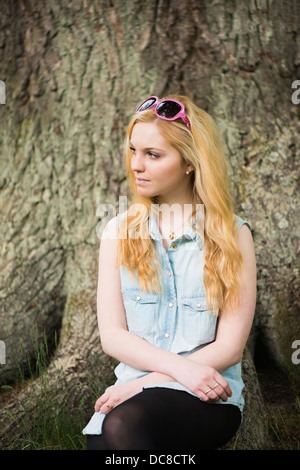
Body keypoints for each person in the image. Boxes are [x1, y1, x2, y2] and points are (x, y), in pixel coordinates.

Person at [83, 95, 256, 450]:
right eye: (134, 150)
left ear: (190, 162)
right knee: (104, 444)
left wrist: (149, 383)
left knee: (124, 429)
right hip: (128, 395)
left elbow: (229, 347)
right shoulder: (118, 232)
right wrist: (150, 380)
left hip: (205, 394)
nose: (136, 165)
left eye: (153, 155)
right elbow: (112, 337)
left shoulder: (232, 235)